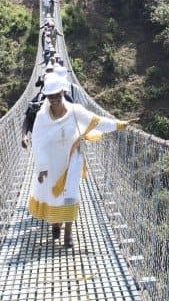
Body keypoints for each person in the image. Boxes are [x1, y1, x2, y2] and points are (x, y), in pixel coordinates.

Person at [26, 71, 132, 248]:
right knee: (53, 195)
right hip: (51, 163)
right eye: (50, 97)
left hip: (72, 161)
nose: (54, 100)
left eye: (57, 96)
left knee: (70, 196)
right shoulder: (42, 117)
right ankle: (55, 223)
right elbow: (37, 141)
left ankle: (68, 235)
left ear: (62, 93)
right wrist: (42, 166)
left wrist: (118, 125)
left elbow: (96, 121)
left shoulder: (75, 111)